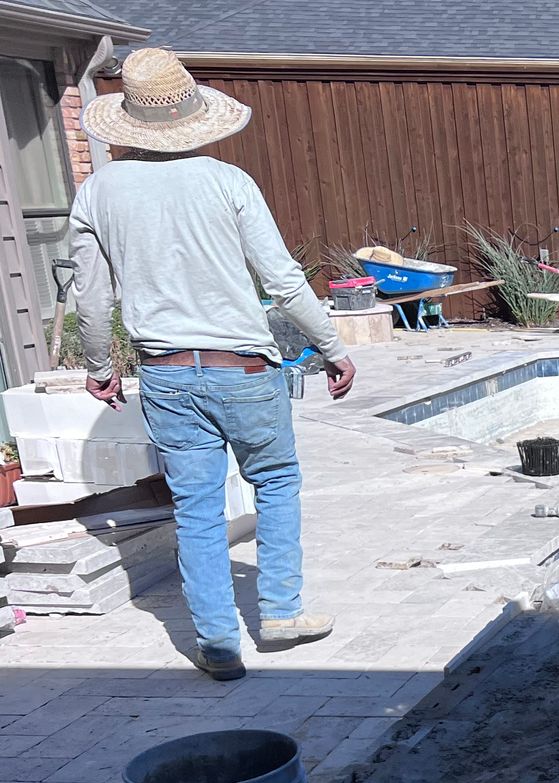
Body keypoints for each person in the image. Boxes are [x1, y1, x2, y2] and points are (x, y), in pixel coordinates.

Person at [71, 47, 355, 682]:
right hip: (244, 371)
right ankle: (281, 613)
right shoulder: (229, 183)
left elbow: (90, 297)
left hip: (165, 374)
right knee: (276, 483)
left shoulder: (98, 192)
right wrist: (332, 348)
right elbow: (283, 281)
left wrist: (98, 364)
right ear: (195, 119)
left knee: (197, 507)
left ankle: (219, 643)